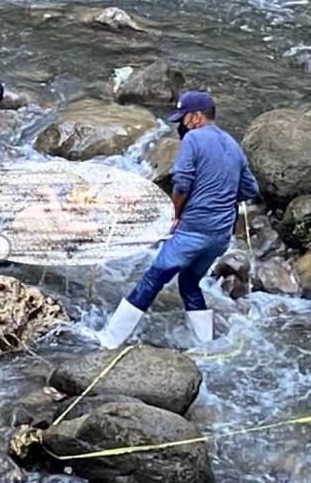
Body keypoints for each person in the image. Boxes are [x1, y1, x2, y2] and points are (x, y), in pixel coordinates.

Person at [96, 90, 260, 347]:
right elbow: (251, 190)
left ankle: (108, 340)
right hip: (219, 236)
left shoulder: (193, 139)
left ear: (195, 117)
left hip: (194, 229)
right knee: (190, 282)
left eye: (182, 119)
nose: (179, 126)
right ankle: (205, 345)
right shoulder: (233, 145)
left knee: (153, 279)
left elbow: (182, 183)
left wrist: (173, 215)